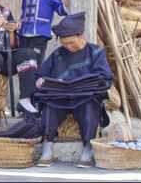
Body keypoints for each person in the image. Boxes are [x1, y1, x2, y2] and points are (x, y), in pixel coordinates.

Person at [34, 12, 113, 168]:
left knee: (90, 107)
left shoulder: (95, 52)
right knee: (49, 105)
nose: (68, 47)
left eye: (71, 42)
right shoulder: (58, 54)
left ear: (81, 35)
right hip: (60, 96)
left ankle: (87, 147)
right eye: (64, 44)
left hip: (85, 96)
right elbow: (42, 74)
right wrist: (40, 80)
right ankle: (47, 145)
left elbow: (104, 78)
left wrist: (87, 83)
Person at [17, 0, 67, 74]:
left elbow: (59, 8)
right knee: (23, 60)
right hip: (24, 33)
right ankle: (26, 87)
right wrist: (20, 22)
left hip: (40, 33)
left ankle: (36, 86)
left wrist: (66, 5)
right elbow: (24, 11)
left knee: (36, 60)